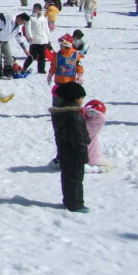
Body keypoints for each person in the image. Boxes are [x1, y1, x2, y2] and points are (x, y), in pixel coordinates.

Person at [49, 81, 91, 213]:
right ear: (75, 98)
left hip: (64, 150)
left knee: (68, 177)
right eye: (81, 98)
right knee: (76, 179)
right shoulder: (74, 115)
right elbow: (79, 136)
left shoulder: (60, 112)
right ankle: (75, 204)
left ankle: (69, 201)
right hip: (75, 152)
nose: (82, 100)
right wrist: (84, 154)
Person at [0, 12, 30, 79]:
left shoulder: (18, 27)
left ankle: (7, 72)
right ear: (19, 18)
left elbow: (19, 38)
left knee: (8, 57)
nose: (22, 24)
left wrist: (24, 49)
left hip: (5, 41)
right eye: (23, 22)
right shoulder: (8, 18)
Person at [82, 100, 112, 173]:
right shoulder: (91, 126)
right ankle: (92, 169)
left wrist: (84, 111)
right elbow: (101, 118)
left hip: (73, 156)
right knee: (109, 166)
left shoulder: (78, 122)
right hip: (91, 157)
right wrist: (90, 111)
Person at [23, 4, 52, 74]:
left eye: (37, 9)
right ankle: (24, 67)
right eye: (35, 8)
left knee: (42, 56)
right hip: (34, 40)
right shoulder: (30, 18)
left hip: (43, 40)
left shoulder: (43, 18)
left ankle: (41, 70)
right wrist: (29, 36)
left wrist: (48, 39)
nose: (36, 10)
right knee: (32, 55)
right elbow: (27, 28)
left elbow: (47, 29)